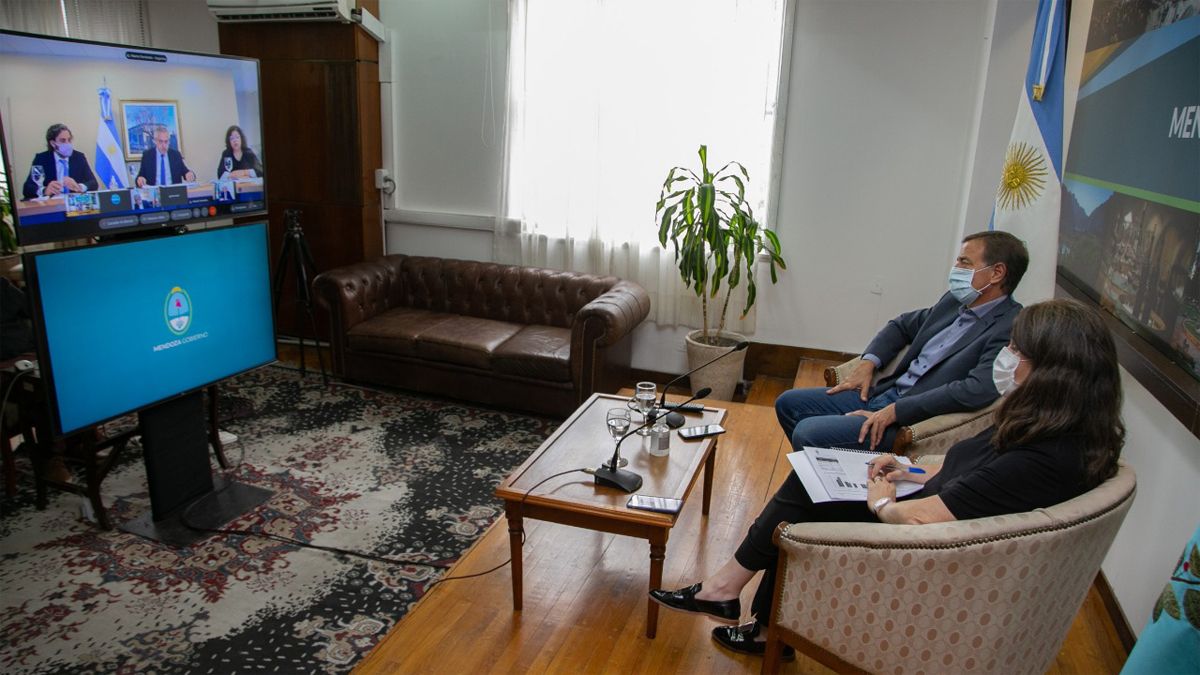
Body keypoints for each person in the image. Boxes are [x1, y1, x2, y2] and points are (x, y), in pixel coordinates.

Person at [650, 299, 1126, 658]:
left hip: (923, 547)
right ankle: (745, 611)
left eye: (1017, 350)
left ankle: (728, 594)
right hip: (936, 504)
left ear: (1053, 371)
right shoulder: (1068, 428)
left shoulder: (1043, 455)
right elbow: (977, 468)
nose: (1008, 357)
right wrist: (912, 468)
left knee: (804, 495)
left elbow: (919, 523)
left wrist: (882, 500)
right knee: (809, 484)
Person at [775, 230, 1028, 453]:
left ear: (996, 273)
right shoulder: (954, 301)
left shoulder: (1011, 326)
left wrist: (897, 411)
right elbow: (902, 325)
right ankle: (819, 484)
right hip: (885, 392)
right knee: (788, 403)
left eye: (964, 262)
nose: (956, 269)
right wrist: (867, 363)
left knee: (808, 433)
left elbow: (976, 390)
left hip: (910, 419)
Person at [21, 123, 98, 200]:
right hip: (51, 205)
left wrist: (79, 187)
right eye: (63, 140)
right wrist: (44, 190)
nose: (67, 144)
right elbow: (27, 189)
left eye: (69, 140)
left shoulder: (79, 157)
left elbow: (93, 183)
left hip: (73, 203)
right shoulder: (41, 159)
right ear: (53, 143)